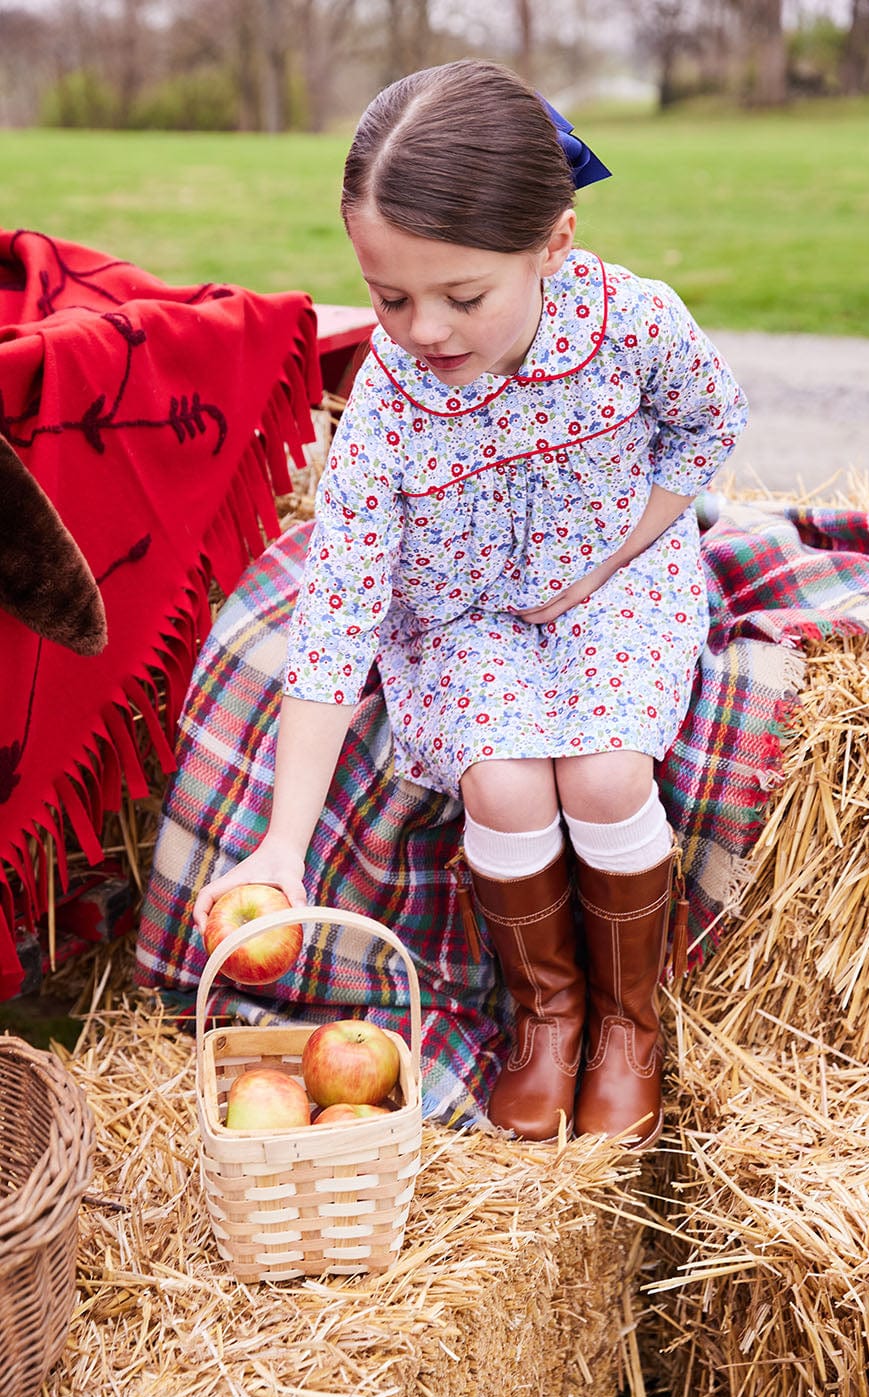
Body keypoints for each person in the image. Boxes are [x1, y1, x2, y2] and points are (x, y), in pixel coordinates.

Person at [193, 58, 748, 1148]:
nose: (424, 331)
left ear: (554, 243)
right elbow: (338, 619)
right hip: (462, 618)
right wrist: (280, 842)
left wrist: (614, 557)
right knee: (501, 783)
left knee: (602, 769)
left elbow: (706, 430)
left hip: (616, 585)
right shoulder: (389, 408)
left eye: (462, 296)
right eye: (390, 296)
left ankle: (629, 1025)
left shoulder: (633, 325)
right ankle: (549, 1013)